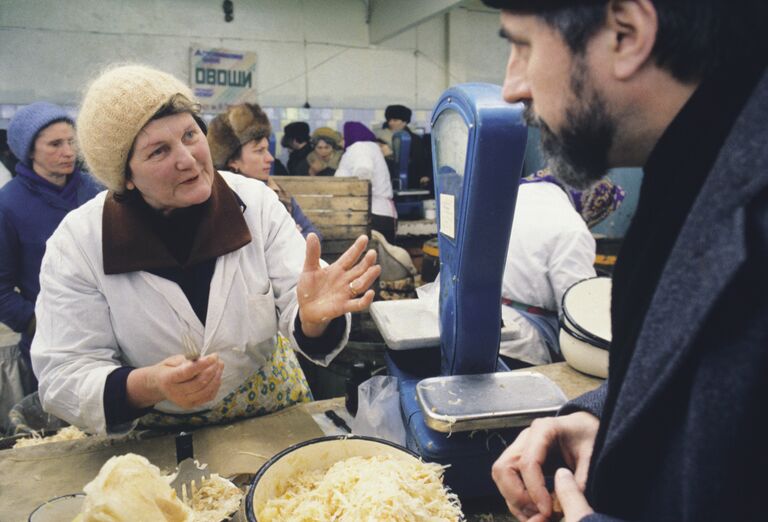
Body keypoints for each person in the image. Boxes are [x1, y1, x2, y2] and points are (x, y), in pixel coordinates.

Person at [483, 1, 768, 521]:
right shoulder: (693, 170)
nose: (513, 87)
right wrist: (601, 419)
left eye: (522, 45)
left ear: (625, 32)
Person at [30, 65, 381, 435]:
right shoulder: (80, 243)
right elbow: (64, 374)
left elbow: (299, 301)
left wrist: (312, 320)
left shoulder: (254, 203)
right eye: (159, 151)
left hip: (267, 404)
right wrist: (147, 385)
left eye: (189, 134)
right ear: (126, 177)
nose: (187, 158)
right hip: (158, 432)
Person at [0, 102, 101, 392]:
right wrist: (37, 322)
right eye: (55, 144)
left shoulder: (94, 190)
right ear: (30, 150)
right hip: (51, 347)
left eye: (71, 142)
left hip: (108, 332)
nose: (68, 152)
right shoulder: (9, 205)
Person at [499, 170, 626, 368]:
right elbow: (579, 313)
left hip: (471, 322)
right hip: (520, 345)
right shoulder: (571, 229)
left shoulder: (508, 197)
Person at [207, 102, 322, 239]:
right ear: (233, 161)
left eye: (267, 149)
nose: (270, 158)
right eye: (259, 151)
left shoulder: (279, 193)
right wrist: (291, 237)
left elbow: (313, 235)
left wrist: (295, 239)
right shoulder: (220, 201)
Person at [335, 121, 397, 243]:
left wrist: (356, 200)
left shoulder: (360, 147)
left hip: (371, 214)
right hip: (376, 212)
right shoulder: (368, 148)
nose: (343, 141)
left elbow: (363, 172)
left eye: (344, 136)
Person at [383, 104, 430, 191]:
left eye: (395, 120)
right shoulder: (387, 137)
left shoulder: (414, 140)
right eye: (389, 120)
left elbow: (420, 161)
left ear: (405, 122)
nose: (391, 123)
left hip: (411, 183)